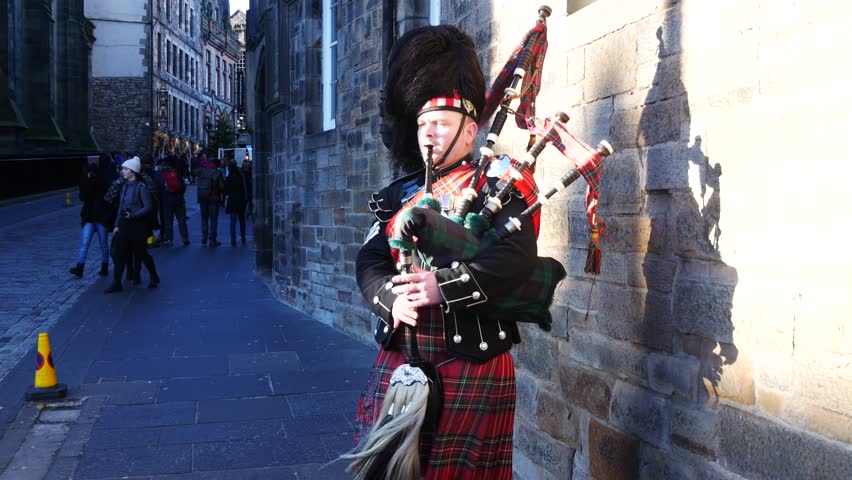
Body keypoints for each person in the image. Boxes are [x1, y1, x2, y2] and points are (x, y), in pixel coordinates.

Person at [352, 25, 537, 479]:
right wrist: (390, 299)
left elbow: (514, 261)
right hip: (402, 359)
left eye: (441, 124)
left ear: (471, 130)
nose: (427, 134)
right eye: (421, 124)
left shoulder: (502, 183)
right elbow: (370, 262)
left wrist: (442, 286)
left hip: (470, 361)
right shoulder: (400, 194)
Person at [105, 157, 155, 293]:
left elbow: (147, 207)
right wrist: (116, 225)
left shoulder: (141, 187)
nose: (123, 171)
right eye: (123, 169)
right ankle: (116, 282)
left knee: (142, 254)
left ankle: (154, 276)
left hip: (138, 227)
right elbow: (120, 206)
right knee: (119, 254)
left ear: (133, 171)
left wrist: (133, 215)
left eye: (126, 169)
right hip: (124, 225)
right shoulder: (124, 186)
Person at [69, 154, 117, 277]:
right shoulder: (88, 176)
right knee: (85, 243)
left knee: (103, 243)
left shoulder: (105, 176)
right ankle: (80, 266)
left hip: (101, 215)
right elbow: (83, 196)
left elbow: (106, 193)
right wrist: (88, 179)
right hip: (90, 215)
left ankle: (104, 266)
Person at [155, 156, 190, 246]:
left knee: (168, 222)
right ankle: (184, 238)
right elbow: (183, 186)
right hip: (179, 200)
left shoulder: (159, 175)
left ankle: (169, 239)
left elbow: (157, 190)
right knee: (181, 220)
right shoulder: (175, 173)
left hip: (166, 201)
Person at [195, 157, 224, 246]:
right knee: (213, 219)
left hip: (203, 197)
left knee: (204, 218)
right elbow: (222, 187)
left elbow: (194, 172)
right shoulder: (217, 173)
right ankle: (212, 239)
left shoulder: (202, 171)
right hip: (213, 198)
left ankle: (204, 235)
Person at [223, 159, 248, 245]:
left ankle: (233, 239)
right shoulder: (240, 175)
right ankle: (243, 237)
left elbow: (225, 190)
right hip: (240, 200)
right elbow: (244, 188)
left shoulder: (229, 177)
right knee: (241, 220)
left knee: (233, 221)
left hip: (232, 201)